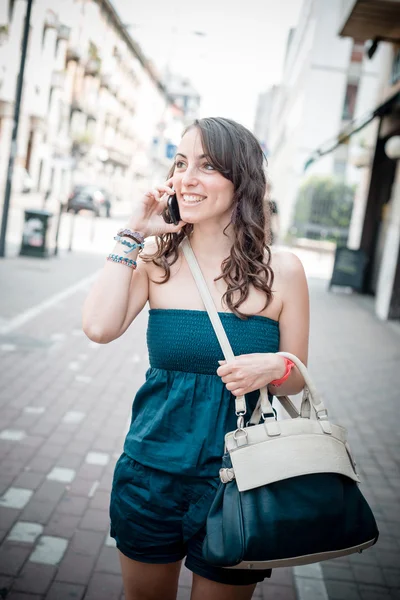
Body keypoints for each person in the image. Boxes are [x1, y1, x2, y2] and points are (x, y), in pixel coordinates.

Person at [82, 117, 309, 600]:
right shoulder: (155, 260)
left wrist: (275, 367)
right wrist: (131, 234)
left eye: (207, 166)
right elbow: (99, 328)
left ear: (241, 180)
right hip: (151, 472)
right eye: (181, 163)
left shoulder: (283, 271)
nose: (187, 177)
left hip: (241, 478)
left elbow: (295, 380)